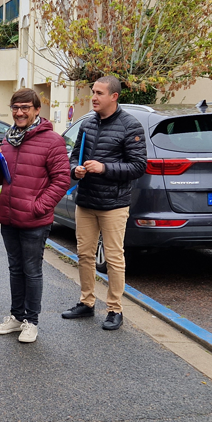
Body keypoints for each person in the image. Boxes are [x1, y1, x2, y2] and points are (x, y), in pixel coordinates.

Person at [61, 75, 146, 331]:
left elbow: (138, 166)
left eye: (99, 93)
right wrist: (75, 169)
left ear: (114, 96)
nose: (93, 97)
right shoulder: (87, 124)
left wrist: (104, 168)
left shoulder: (131, 126)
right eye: (93, 92)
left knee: (113, 257)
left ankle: (114, 309)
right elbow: (73, 157)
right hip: (86, 200)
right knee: (85, 254)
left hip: (114, 204)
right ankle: (86, 303)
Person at [0, 89, 71, 343]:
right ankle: (16, 317)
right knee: (15, 268)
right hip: (10, 217)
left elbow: (62, 179)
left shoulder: (52, 140)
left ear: (36, 110)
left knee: (32, 270)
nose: (19, 112)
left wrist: (39, 206)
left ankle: (31, 322)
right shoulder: (8, 139)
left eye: (25, 107)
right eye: (15, 107)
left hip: (34, 219)